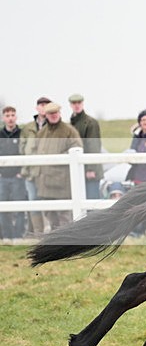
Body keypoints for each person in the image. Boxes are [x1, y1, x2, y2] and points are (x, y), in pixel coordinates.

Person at [33, 102, 83, 230]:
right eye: (50, 113)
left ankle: (66, 244)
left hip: (62, 182)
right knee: (50, 215)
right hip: (45, 183)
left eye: (55, 113)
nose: (53, 116)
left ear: (59, 113)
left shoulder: (69, 131)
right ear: (46, 115)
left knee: (64, 216)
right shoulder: (42, 133)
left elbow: (77, 149)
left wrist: (60, 158)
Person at [19, 97, 50, 235]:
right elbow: (22, 148)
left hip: (48, 173)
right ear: (37, 108)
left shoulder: (53, 126)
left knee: (48, 201)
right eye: (41, 105)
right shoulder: (28, 128)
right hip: (31, 172)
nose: (43, 108)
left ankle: (49, 232)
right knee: (33, 201)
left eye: (46, 105)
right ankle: (37, 233)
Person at [68, 93, 104, 199]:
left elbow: (94, 146)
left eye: (79, 103)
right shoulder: (71, 123)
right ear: (70, 105)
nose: (77, 105)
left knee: (91, 201)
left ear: (82, 104)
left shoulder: (90, 123)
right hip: (79, 168)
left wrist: (91, 168)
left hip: (90, 170)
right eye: (74, 103)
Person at [0, 105, 27, 242]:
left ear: (16, 117)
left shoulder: (22, 134)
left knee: (19, 207)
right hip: (2, 177)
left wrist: (21, 172)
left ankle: (18, 236)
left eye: (12, 115)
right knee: (2, 207)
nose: (10, 118)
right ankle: (7, 235)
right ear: (3, 118)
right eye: (7, 115)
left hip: (17, 177)